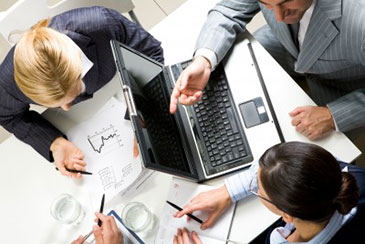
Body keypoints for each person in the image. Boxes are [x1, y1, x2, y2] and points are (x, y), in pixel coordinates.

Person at [0, 6, 163, 178]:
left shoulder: (102, 24)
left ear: (79, 65)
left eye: (72, 94)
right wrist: (55, 143)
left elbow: (151, 53)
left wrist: (143, 115)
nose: (67, 108)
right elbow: (7, 116)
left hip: (118, 87)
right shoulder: (7, 84)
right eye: (56, 103)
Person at [169, 0, 365, 141]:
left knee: (317, 156)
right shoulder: (283, 15)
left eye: (286, 2)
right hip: (286, 45)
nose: (279, 17)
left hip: (344, 87)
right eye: (267, 4)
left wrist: (333, 116)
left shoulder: (360, 19)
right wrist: (204, 60)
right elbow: (228, 9)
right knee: (227, 75)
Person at [173, 142, 364, 243]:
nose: (254, 186)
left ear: (287, 216)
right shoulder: (345, 176)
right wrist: (228, 191)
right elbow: (280, 160)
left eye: (257, 189)